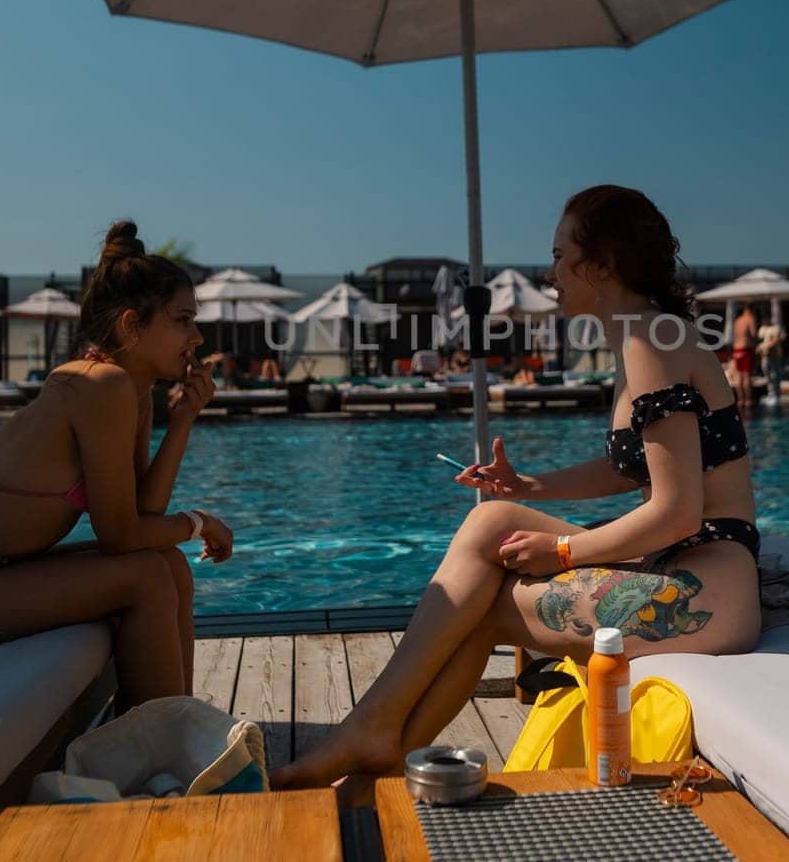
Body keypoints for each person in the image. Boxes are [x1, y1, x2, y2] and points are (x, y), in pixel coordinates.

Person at [273, 185, 761, 789]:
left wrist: (559, 553)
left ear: (601, 265)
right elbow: (639, 466)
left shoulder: (647, 341)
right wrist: (529, 486)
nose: (550, 272)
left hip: (706, 584)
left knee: (480, 612)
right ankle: (374, 737)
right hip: (687, 565)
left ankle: (376, 756)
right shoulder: (647, 335)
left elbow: (678, 510)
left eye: (560, 256)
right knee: (492, 519)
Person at [0, 222, 234, 711]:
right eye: (183, 320)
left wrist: (182, 423)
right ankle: (167, 755)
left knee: (170, 566)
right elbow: (119, 536)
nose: (197, 336)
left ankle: (181, 731)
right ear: (132, 325)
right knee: (149, 577)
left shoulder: (130, 393)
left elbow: (140, 518)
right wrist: (198, 523)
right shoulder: (99, 386)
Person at [728, 303, 758, 410]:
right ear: (751, 310)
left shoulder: (737, 320)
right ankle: (749, 401)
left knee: (738, 377)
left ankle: (740, 401)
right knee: (746, 377)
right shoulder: (750, 318)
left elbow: (736, 335)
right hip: (746, 349)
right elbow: (754, 334)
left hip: (736, 349)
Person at [757, 310, 785, 406]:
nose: (764, 321)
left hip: (774, 356)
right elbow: (760, 341)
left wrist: (765, 347)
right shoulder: (762, 329)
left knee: (775, 376)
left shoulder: (775, 328)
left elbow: (775, 340)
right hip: (765, 356)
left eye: (765, 319)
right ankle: (770, 395)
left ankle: (777, 395)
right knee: (768, 376)